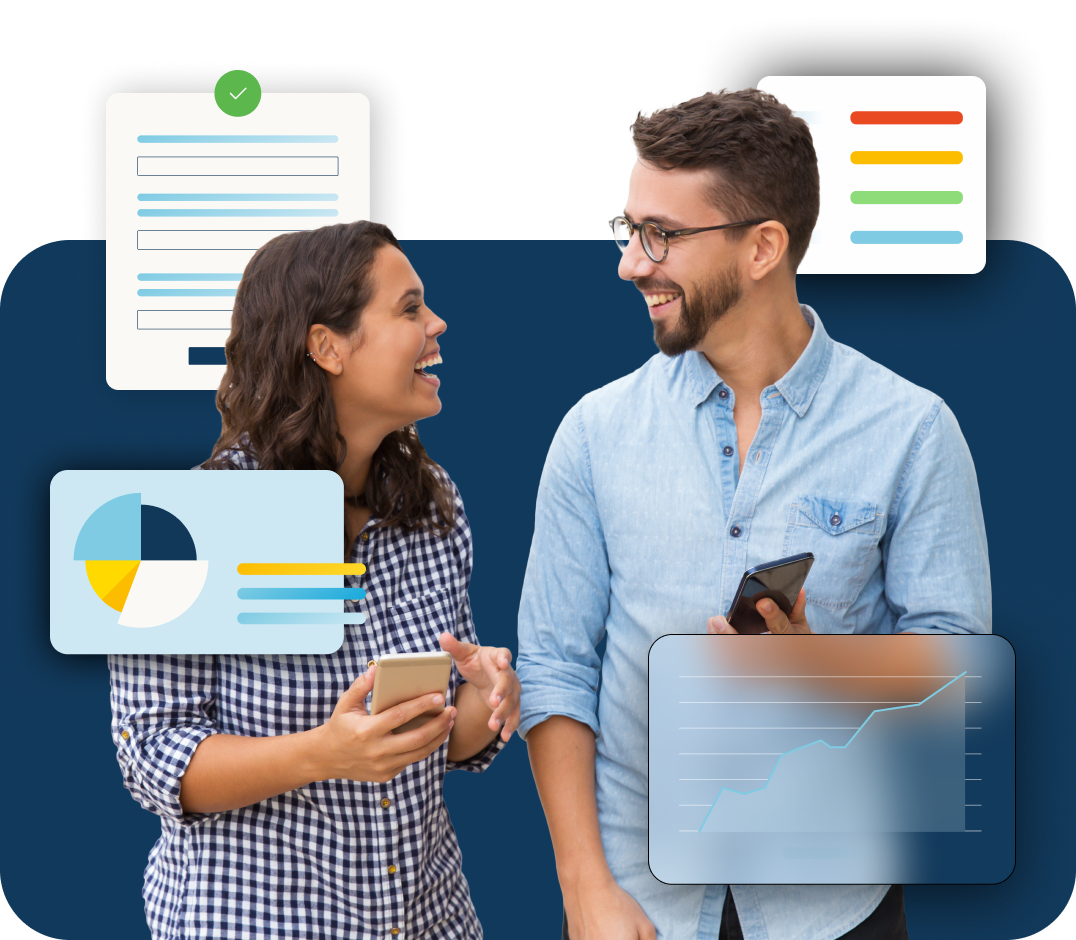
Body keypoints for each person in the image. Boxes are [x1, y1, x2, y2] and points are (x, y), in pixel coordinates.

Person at [516, 88, 990, 940]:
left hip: (835, 911)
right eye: (629, 230)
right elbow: (555, 668)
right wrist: (584, 886)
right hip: (637, 910)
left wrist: (817, 675)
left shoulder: (913, 432)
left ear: (764, 246)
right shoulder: (593, 434)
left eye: (663, 235)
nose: (633, 263)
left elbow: (954, 701)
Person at [108, 220, 521, 939]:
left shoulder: (435, 504)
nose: (436, 324)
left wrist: (483, 698)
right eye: (409, 308)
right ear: (327, 346)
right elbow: (153, 757)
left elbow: (435, 736)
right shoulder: (196, 525)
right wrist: (323, 754)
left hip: (427, 920)